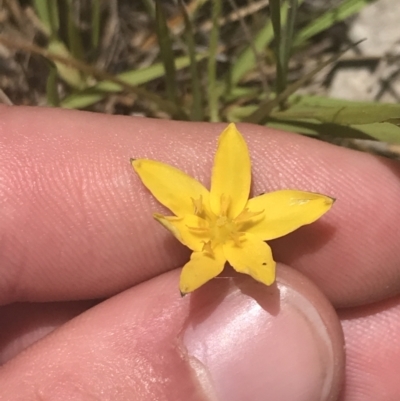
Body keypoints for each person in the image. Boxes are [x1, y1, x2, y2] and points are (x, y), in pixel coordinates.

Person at [0, 105, 399, 401]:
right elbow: (170, 172)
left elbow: (273, 245)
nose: (224, 222)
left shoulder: (253, 252)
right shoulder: (197, 242)